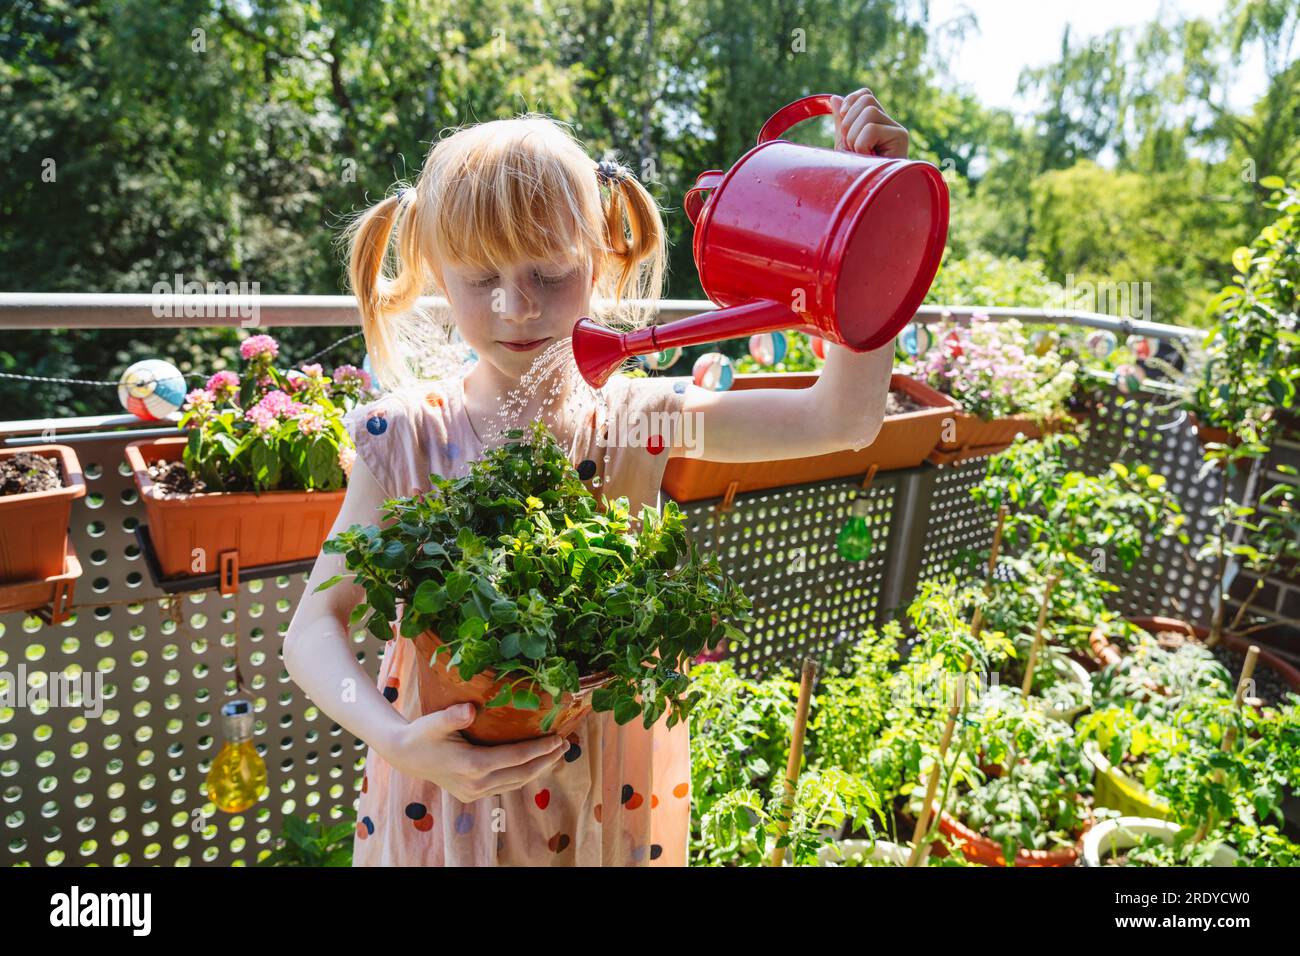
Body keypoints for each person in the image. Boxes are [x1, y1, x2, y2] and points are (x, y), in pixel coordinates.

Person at [283, 87, 908, 865]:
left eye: (550, 270)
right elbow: (312, 628)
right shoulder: (401, 436)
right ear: (435, 275)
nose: (517, 306)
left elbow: (840, 419)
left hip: (610, 799)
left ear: (605, 260)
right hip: (441, 804)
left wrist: (868, 218)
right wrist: (399, 742)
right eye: (481, 279)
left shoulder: (639, 419)